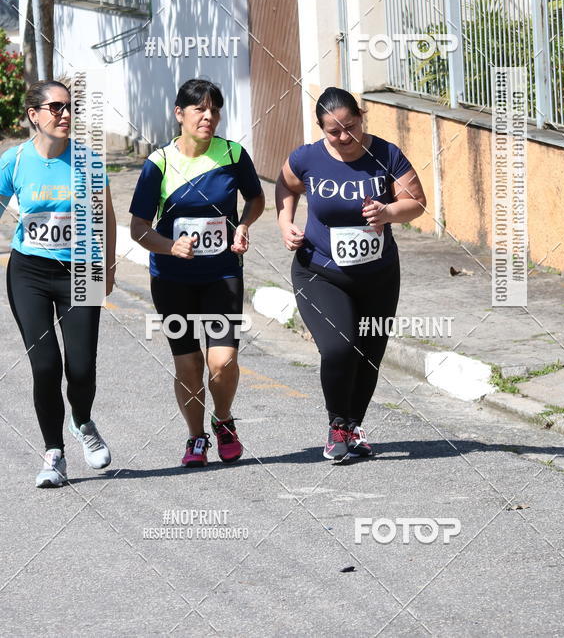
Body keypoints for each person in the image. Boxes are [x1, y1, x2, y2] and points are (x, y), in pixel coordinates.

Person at [276, 86, 426, 462]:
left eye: (351, 126)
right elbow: (285, 185)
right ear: (321, 129)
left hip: (377, 275)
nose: (345, 137)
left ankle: (352, 428)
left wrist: (389, 213)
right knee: (339, 347)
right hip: (320, 271)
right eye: (334, 131)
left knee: (369, 355)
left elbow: (416, 202)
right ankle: (337, 424)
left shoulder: (387, 154)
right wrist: (284, 222)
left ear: (361, 117)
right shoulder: (307, 158)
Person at [129, 78, 264, 467]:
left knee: (222, 363)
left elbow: (255, 198)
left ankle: (223, 421)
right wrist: (170, 245)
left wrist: (243, 226)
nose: (209, 116)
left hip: (222, 274)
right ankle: (195, 437)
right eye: (200, 109)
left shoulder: (234, 155)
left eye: (215, 110)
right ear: (179, 114)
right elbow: (139, 228)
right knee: (188, 367)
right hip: (172, 281)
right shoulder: (160, 163)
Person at [0, 80, 116, 488]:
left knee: (81, 367)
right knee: (45, 364)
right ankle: (54, 454)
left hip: (83, 270)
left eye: (69, 108)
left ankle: (82, 421)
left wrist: (110, 265)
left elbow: (105, 215)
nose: (64, 115)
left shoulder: (87, 161)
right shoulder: (14, 161)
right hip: (29, 272)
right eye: (55, 108)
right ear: (34, 115)